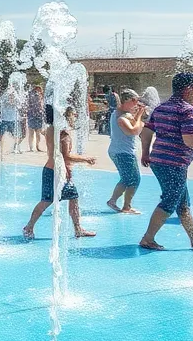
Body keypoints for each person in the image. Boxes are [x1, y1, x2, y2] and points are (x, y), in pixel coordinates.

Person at [138, 72, 193, 251]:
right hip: (174, 163)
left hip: (159, 160)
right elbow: (191, 140)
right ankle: (147, 239)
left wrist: (145, 153)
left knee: (182, 202)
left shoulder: (161, 108)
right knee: (170, 201)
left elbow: (146, 132)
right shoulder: (187, 109)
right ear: (189, 89)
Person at [24, 105, 96, 239]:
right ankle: (29, 226)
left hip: (50, 169)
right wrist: (86, 159)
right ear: (65, 116)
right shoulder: (63, 134)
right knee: (48, 200)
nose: (74, 117)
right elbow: (66, 156)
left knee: (70, 198)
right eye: (73, 114)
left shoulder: (51, 129)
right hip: (57, 171)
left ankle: (77, 228)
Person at [106, 89, 145, 214]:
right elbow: (133, 131)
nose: (137, 103)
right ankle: (126, 206)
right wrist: (141, 121)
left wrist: (138, 114)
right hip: (123, 152)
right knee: (135, 179)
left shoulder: (120, 113)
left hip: (119, 151)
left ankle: (113, 201)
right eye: (135, 100)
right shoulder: (120, 117)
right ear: (128, 100)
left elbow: (132, 121)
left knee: (126, 178)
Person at [0, 84, 22, 154]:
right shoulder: (4, 98)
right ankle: (1, 150)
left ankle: (15, 148)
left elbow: (20, 104)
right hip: (4, 120)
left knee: (16, 136)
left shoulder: (16, 98)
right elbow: (0, 102)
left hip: (13, 120)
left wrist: (14, 98)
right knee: (1, 136)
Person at [26, 84, 46, 153]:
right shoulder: (32, 95)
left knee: (37, 133)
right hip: (32, 116)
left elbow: (42, 107)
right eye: (37, 90)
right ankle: (32, 147)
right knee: (33, 132)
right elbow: (28, 104)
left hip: (38, 116)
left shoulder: (41, 96)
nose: (38, 91)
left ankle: (36, 147)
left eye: (40, 90)